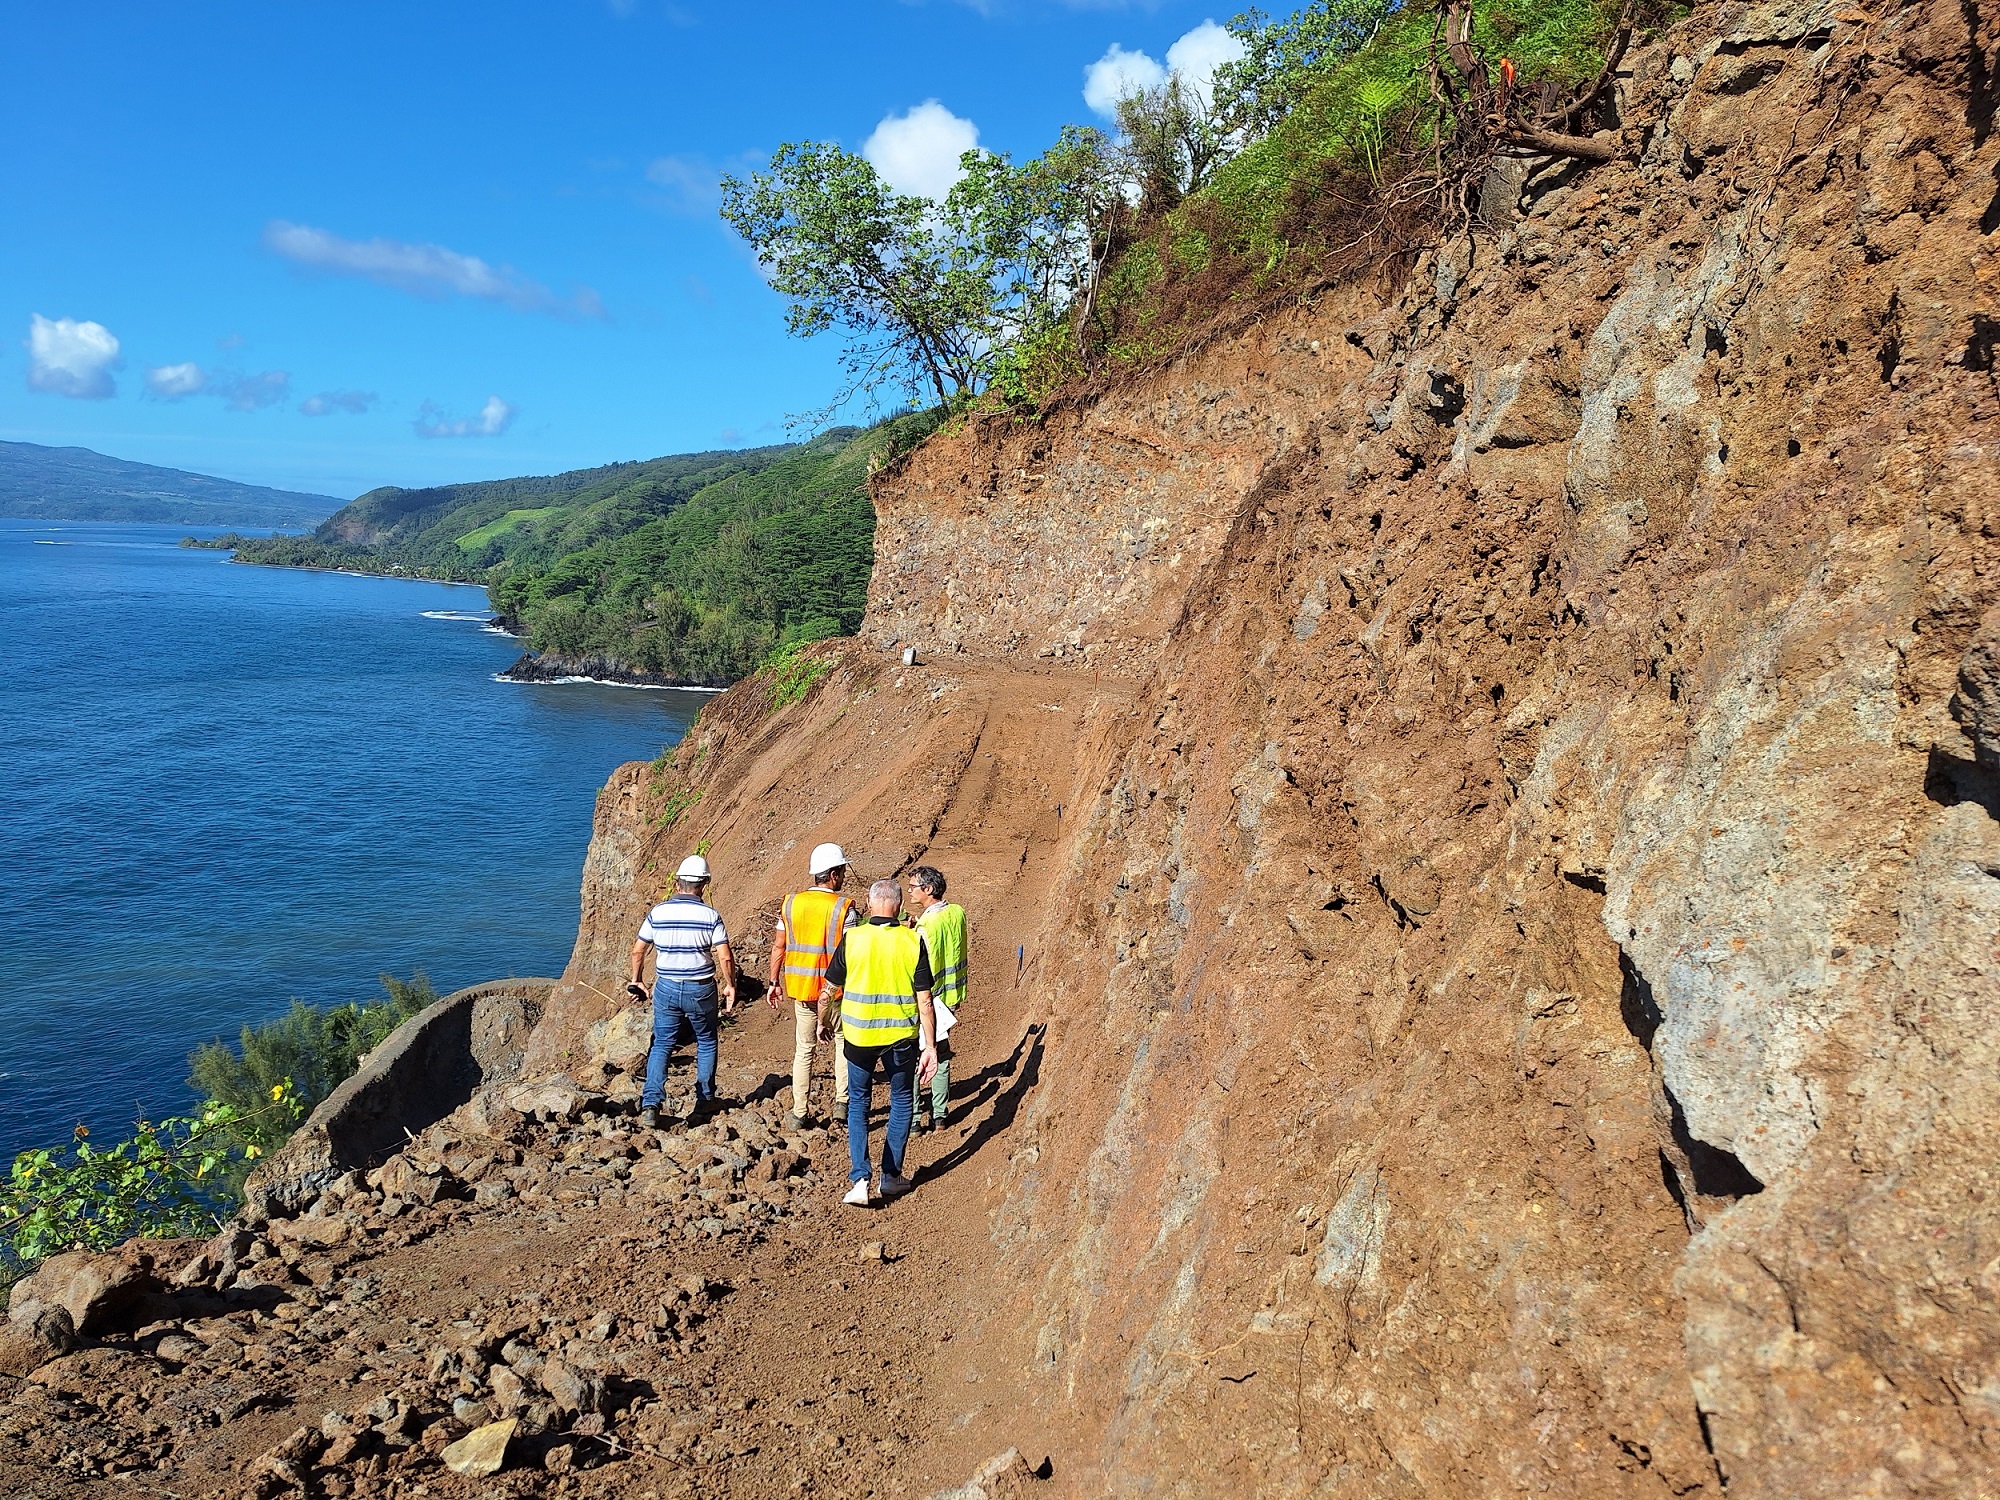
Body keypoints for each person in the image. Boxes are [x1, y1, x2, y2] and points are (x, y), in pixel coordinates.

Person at [820, 879, 937, 1206]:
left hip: (858, 1038)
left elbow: (827, 992)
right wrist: (930, 1046)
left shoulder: (852, 939)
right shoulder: (912, 941)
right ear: (899, 907)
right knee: (901, 1100)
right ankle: (890, 1176)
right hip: (900, 1039)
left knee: (858, 1103)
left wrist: (823, 1022)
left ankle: (860, 1180)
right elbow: (925, 1000)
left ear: (870, 905)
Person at [627, 854, 737, 1130]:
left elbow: (638, 950)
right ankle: (704, 1100)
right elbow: (725, 956)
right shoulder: (710, 916)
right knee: (706, 1041)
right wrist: (730, 985)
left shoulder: (658, 913)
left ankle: (651, 1104)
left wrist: (637, 980)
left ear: (677, 884)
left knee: (662, 1043)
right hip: (700, 988)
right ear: (704, 885)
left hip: (666, 986)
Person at [768, 843, 861, 1129]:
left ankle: (799, 1112)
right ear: (833, 875)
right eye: (842, 872)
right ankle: (842, 1103)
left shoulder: (790, 904)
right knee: (843, 1044)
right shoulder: (844, 909)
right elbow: (853, 951)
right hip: (837, 993)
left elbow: (779, 946)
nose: (843, 876)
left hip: (803, 990)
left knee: (804, 1050)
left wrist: (773, 982)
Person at [903, 866, 967, 1132]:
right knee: (941, 1054)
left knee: (916, 1056)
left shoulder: (926, 927)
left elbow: (919, 963)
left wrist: (911, 933)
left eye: (913, 887)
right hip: (950, 996)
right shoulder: (957, 912)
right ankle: (940, 1115)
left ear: (928, 889)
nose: (909, 891)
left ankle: (914, 1118)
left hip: (927, 1000)